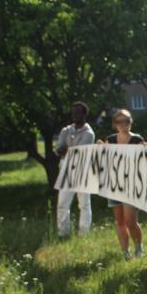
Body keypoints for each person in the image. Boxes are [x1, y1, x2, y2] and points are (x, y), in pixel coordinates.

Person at [99, 109, 147, 260]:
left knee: (130, 221)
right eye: (119, 121)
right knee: (120, 221)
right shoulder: (111, 140)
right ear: (115, 124)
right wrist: (99, 150)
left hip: (132, 186)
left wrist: (146, 149)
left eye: (126, 121)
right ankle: (125, 252)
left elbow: (144, 162)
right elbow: (103, 161)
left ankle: (139, 247)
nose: (123, 124)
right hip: (114, 185)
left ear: (130, 122)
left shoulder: (137, 139)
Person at [55, 101, 95, 238]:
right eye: (73, 112)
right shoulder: (66, 130)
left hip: (83, 172)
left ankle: (84, 234)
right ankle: (63, 233)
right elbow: (58, 149)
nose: (74, 115)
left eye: (77, 112)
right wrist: (67, 150)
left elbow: (79, 153)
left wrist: (67, 150)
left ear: (84, 114)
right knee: (62, 204)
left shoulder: (89, 133)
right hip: (66, 171)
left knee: (84, 204)